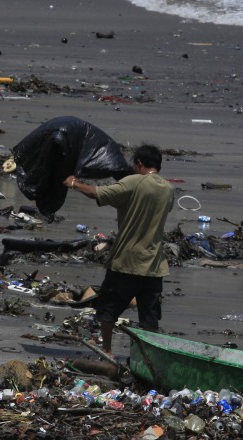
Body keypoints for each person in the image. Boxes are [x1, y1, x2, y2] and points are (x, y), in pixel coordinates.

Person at [63, 144, 174, 357]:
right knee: (149, 317)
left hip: (127, 260)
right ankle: (146, 356)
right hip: (154, 265)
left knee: (108, 309)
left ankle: (107, 350)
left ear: (139, 163)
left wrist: (74, 184)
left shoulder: (133, 183)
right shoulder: (168, 190)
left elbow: (97, 193)